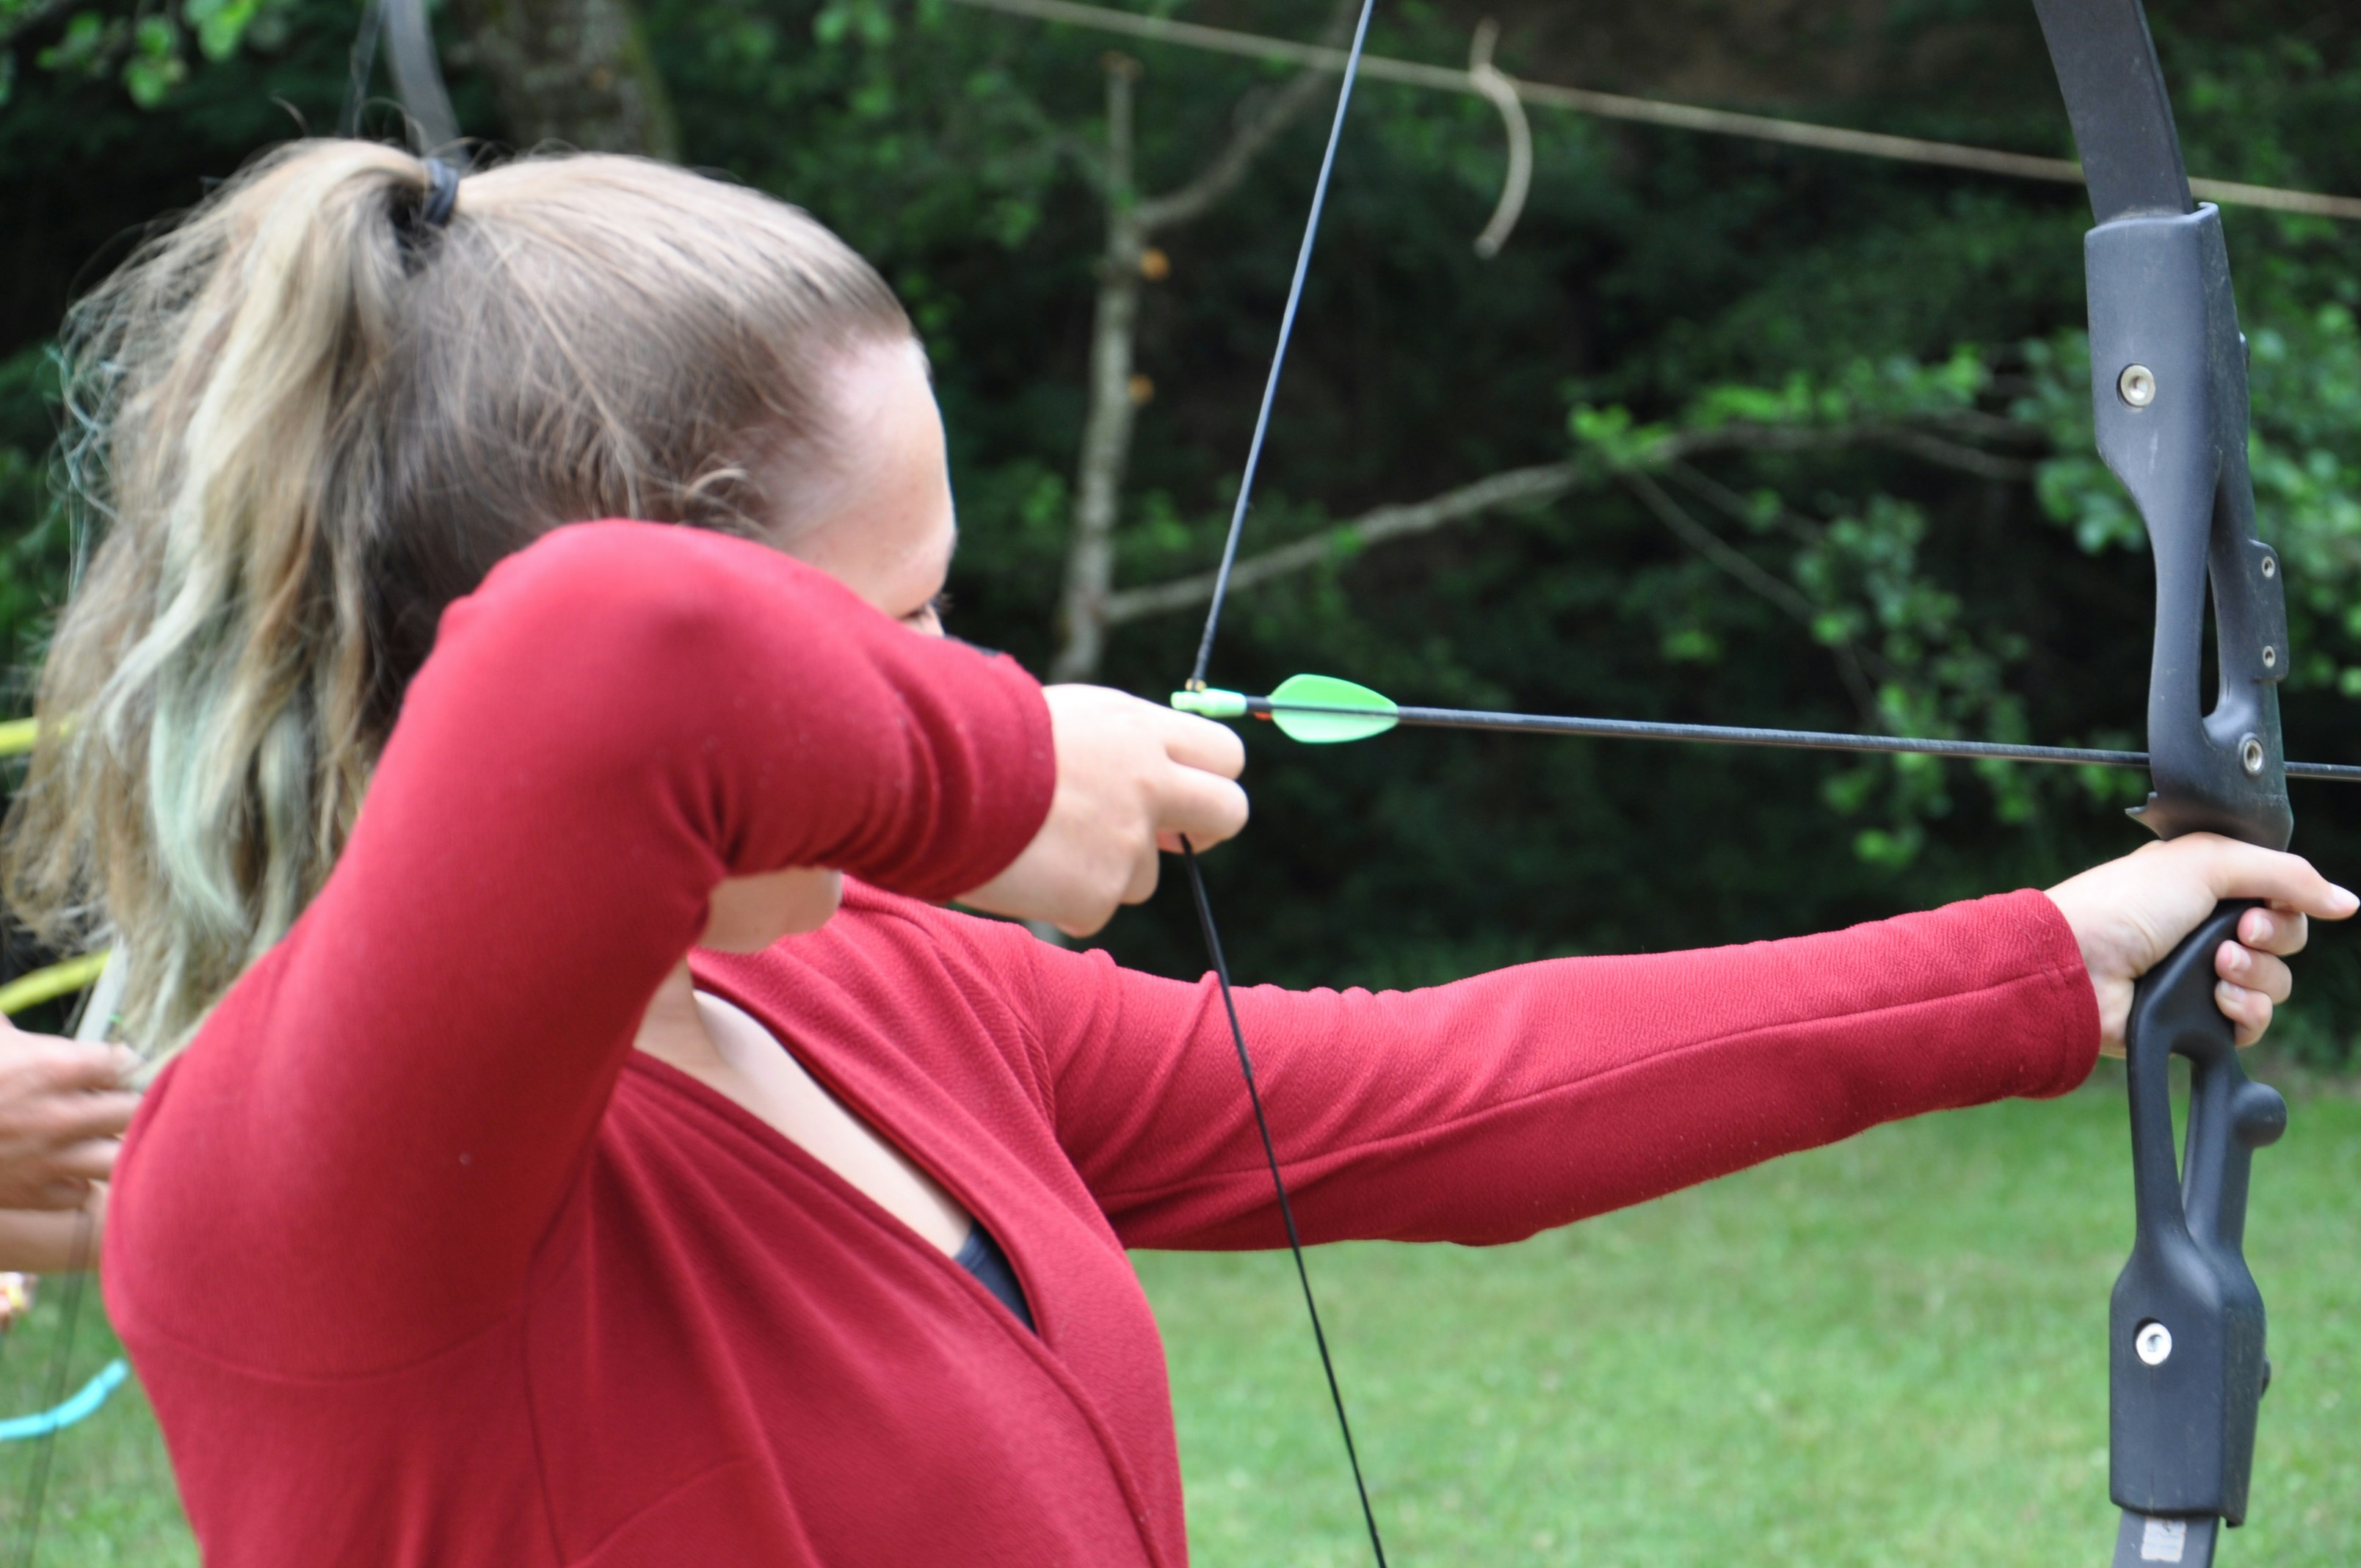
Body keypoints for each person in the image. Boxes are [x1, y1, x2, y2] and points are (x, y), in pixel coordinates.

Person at [1, 141, 2346, 1567]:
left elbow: (1439, 1102)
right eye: (898, 640)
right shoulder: (292, 1175)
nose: (955, 673)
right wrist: (1009, 774)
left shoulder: (849, 990)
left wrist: (2048, 958)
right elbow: (617, 660)